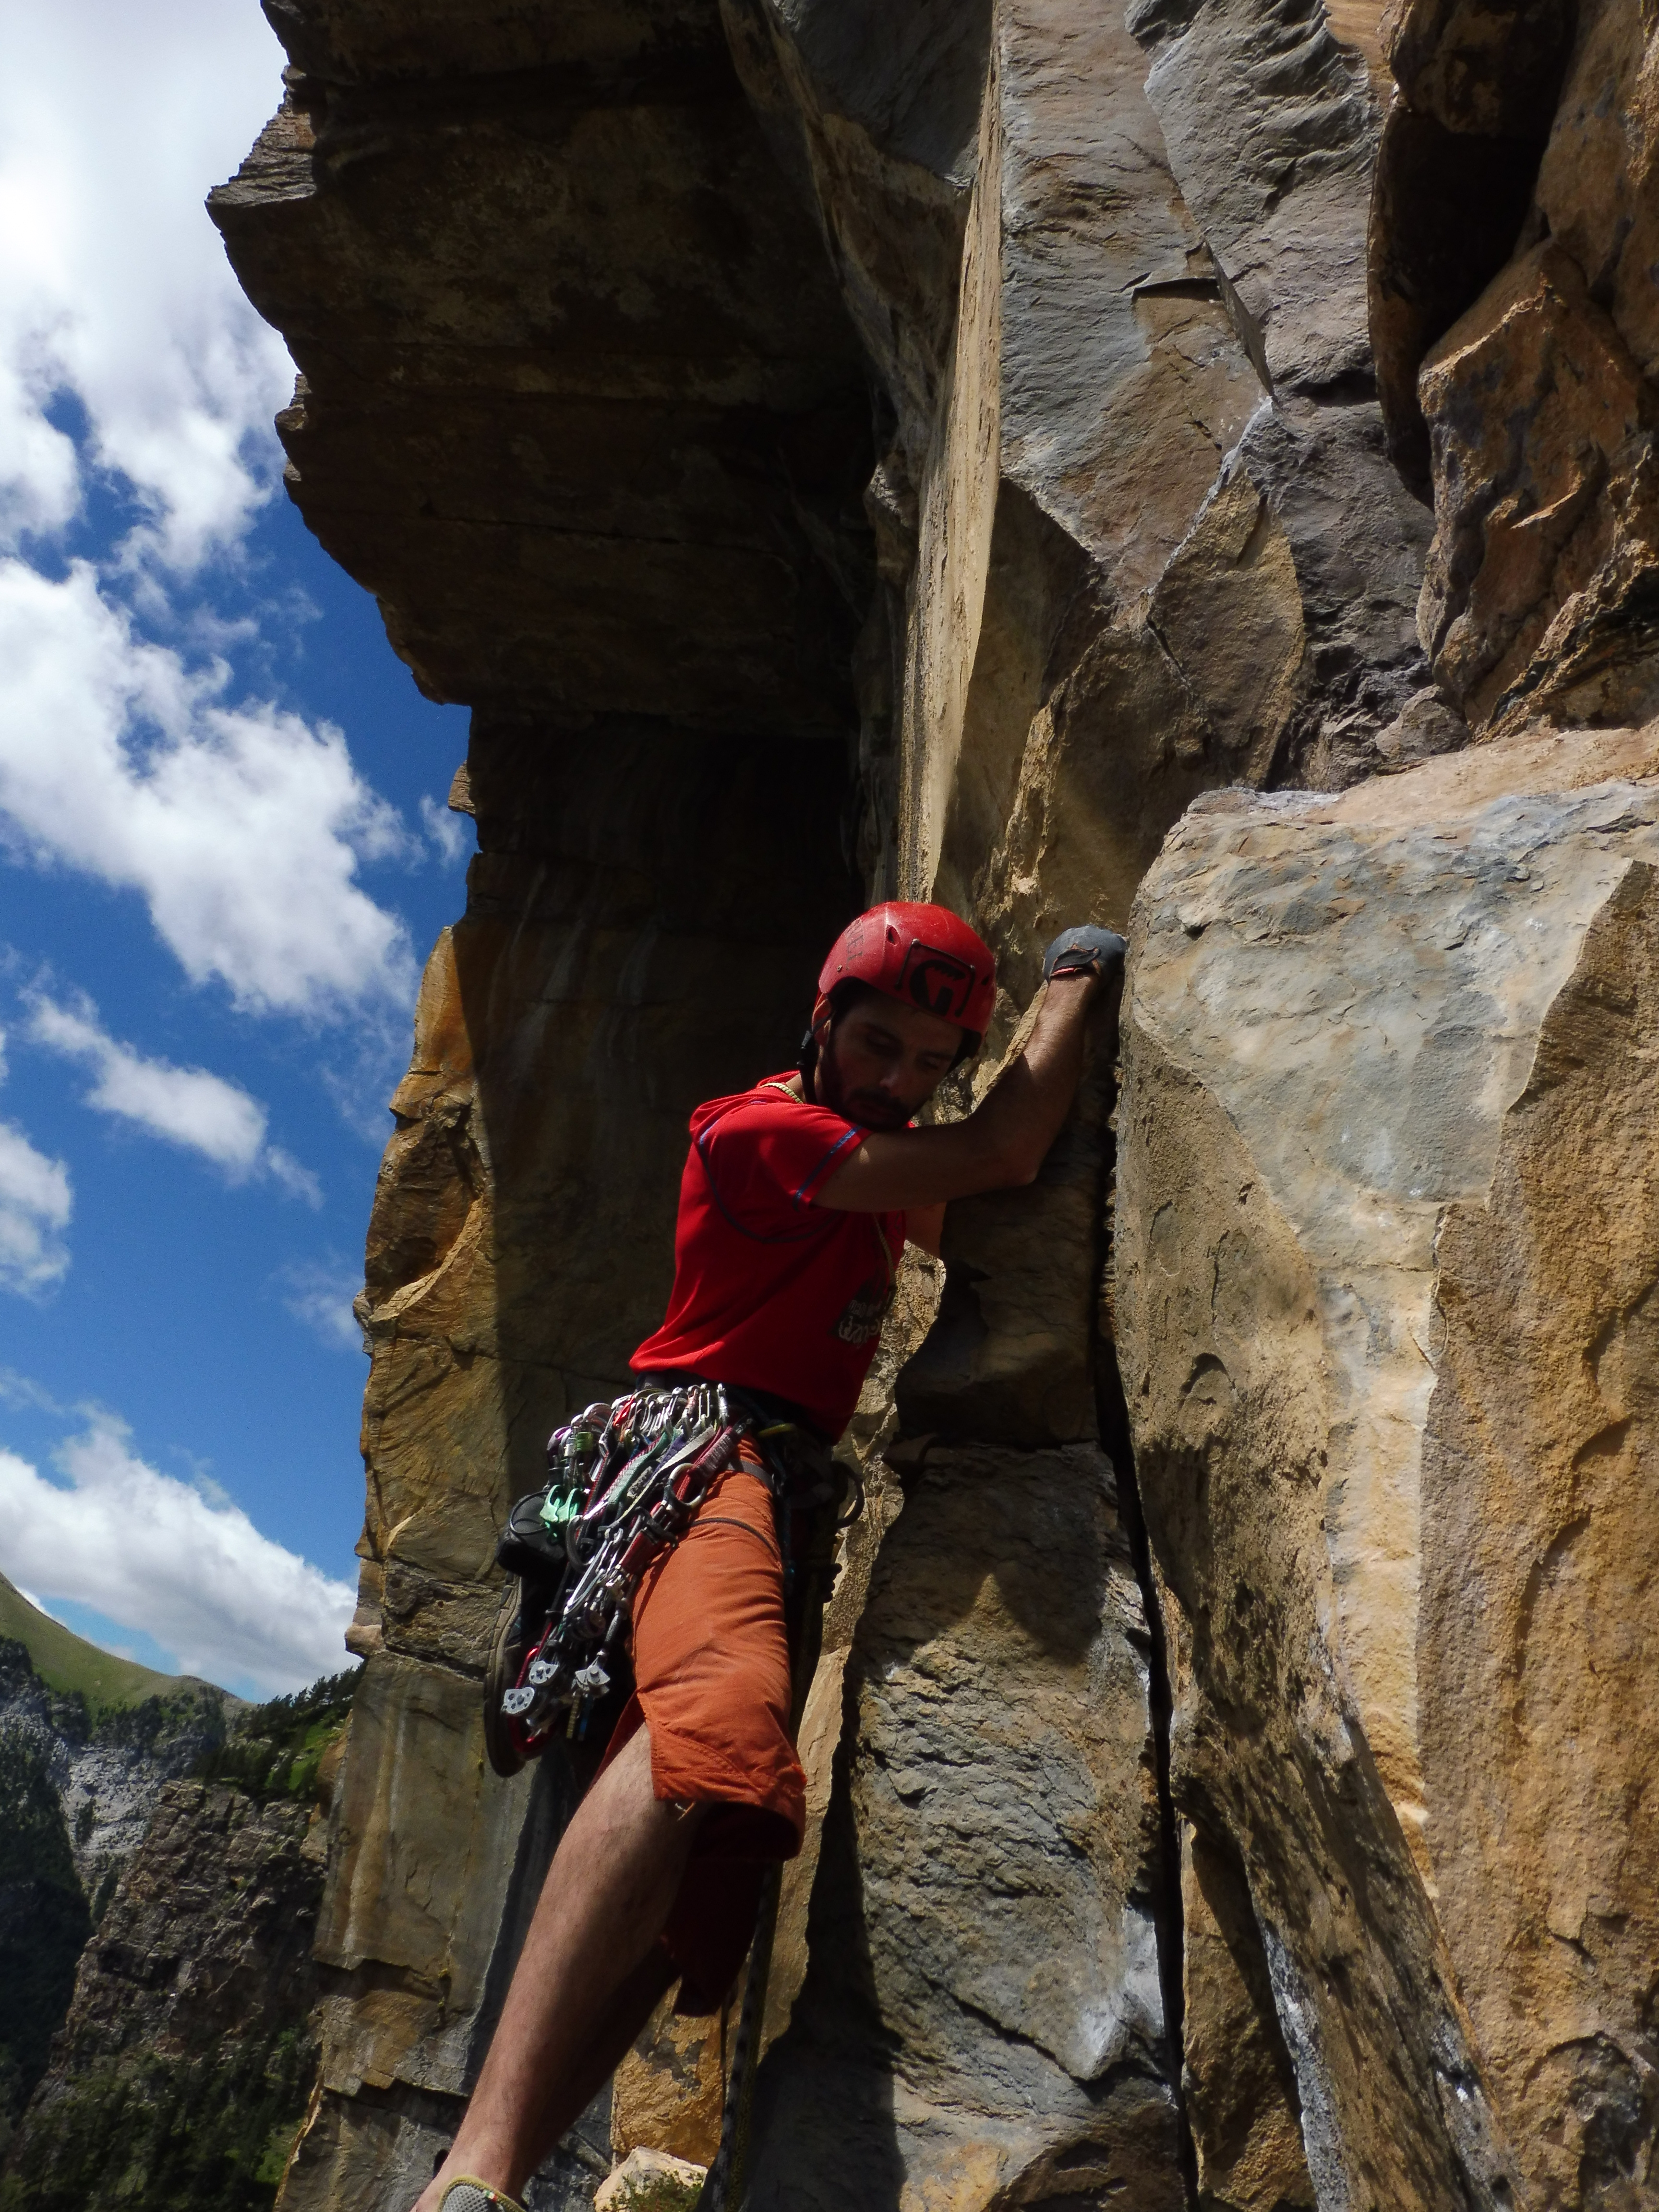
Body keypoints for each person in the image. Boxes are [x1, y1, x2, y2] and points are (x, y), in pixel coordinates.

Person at [418, 902, 1125, 2212]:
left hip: (770, 1485)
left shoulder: (865, 1166)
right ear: (822, 1021)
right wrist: (1076, 980)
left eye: (930, 1063)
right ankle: (475, 2168)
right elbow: (1003, 1152)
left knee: (691, 1894)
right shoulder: (763, 1134)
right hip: (707, 1452)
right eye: (879, 1045)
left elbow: (983, 1206)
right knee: (719, 1729)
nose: (900, 1080)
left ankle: (476, 2193)